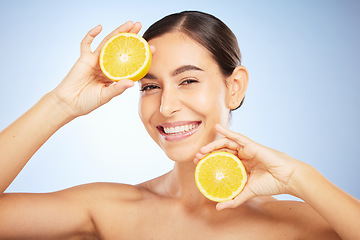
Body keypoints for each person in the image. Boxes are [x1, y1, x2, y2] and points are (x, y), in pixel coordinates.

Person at [0, 10, 359, 240]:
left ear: (234, 88)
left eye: (188, 80)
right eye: (150, 87)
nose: (167, 106)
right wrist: (60, 104)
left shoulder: (302, 224)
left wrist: (301, 178)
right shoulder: (108, 210)